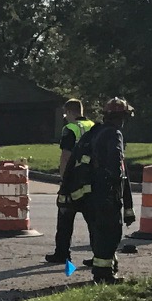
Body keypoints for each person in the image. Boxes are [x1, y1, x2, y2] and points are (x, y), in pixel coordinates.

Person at [64, 97, 136, 284]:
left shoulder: (94, 132)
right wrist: (116, 194)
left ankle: (105, 269)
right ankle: (104, 275)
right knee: (110, 233)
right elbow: (116, 166)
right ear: (122, 117)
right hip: (105, 192)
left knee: (100, 233)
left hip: (89, 194)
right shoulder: (114, 135)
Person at [44, 97, 90, 264]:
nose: (65, 117)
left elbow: (66, 156)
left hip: (73, 179)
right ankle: (99, 253)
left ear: (70, 112)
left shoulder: (70, 129)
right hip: (91, 180)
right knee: (93, 220)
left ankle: (62, 253)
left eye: (66, 113)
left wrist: (63, 178)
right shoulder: (93, 126)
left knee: (65, 216)